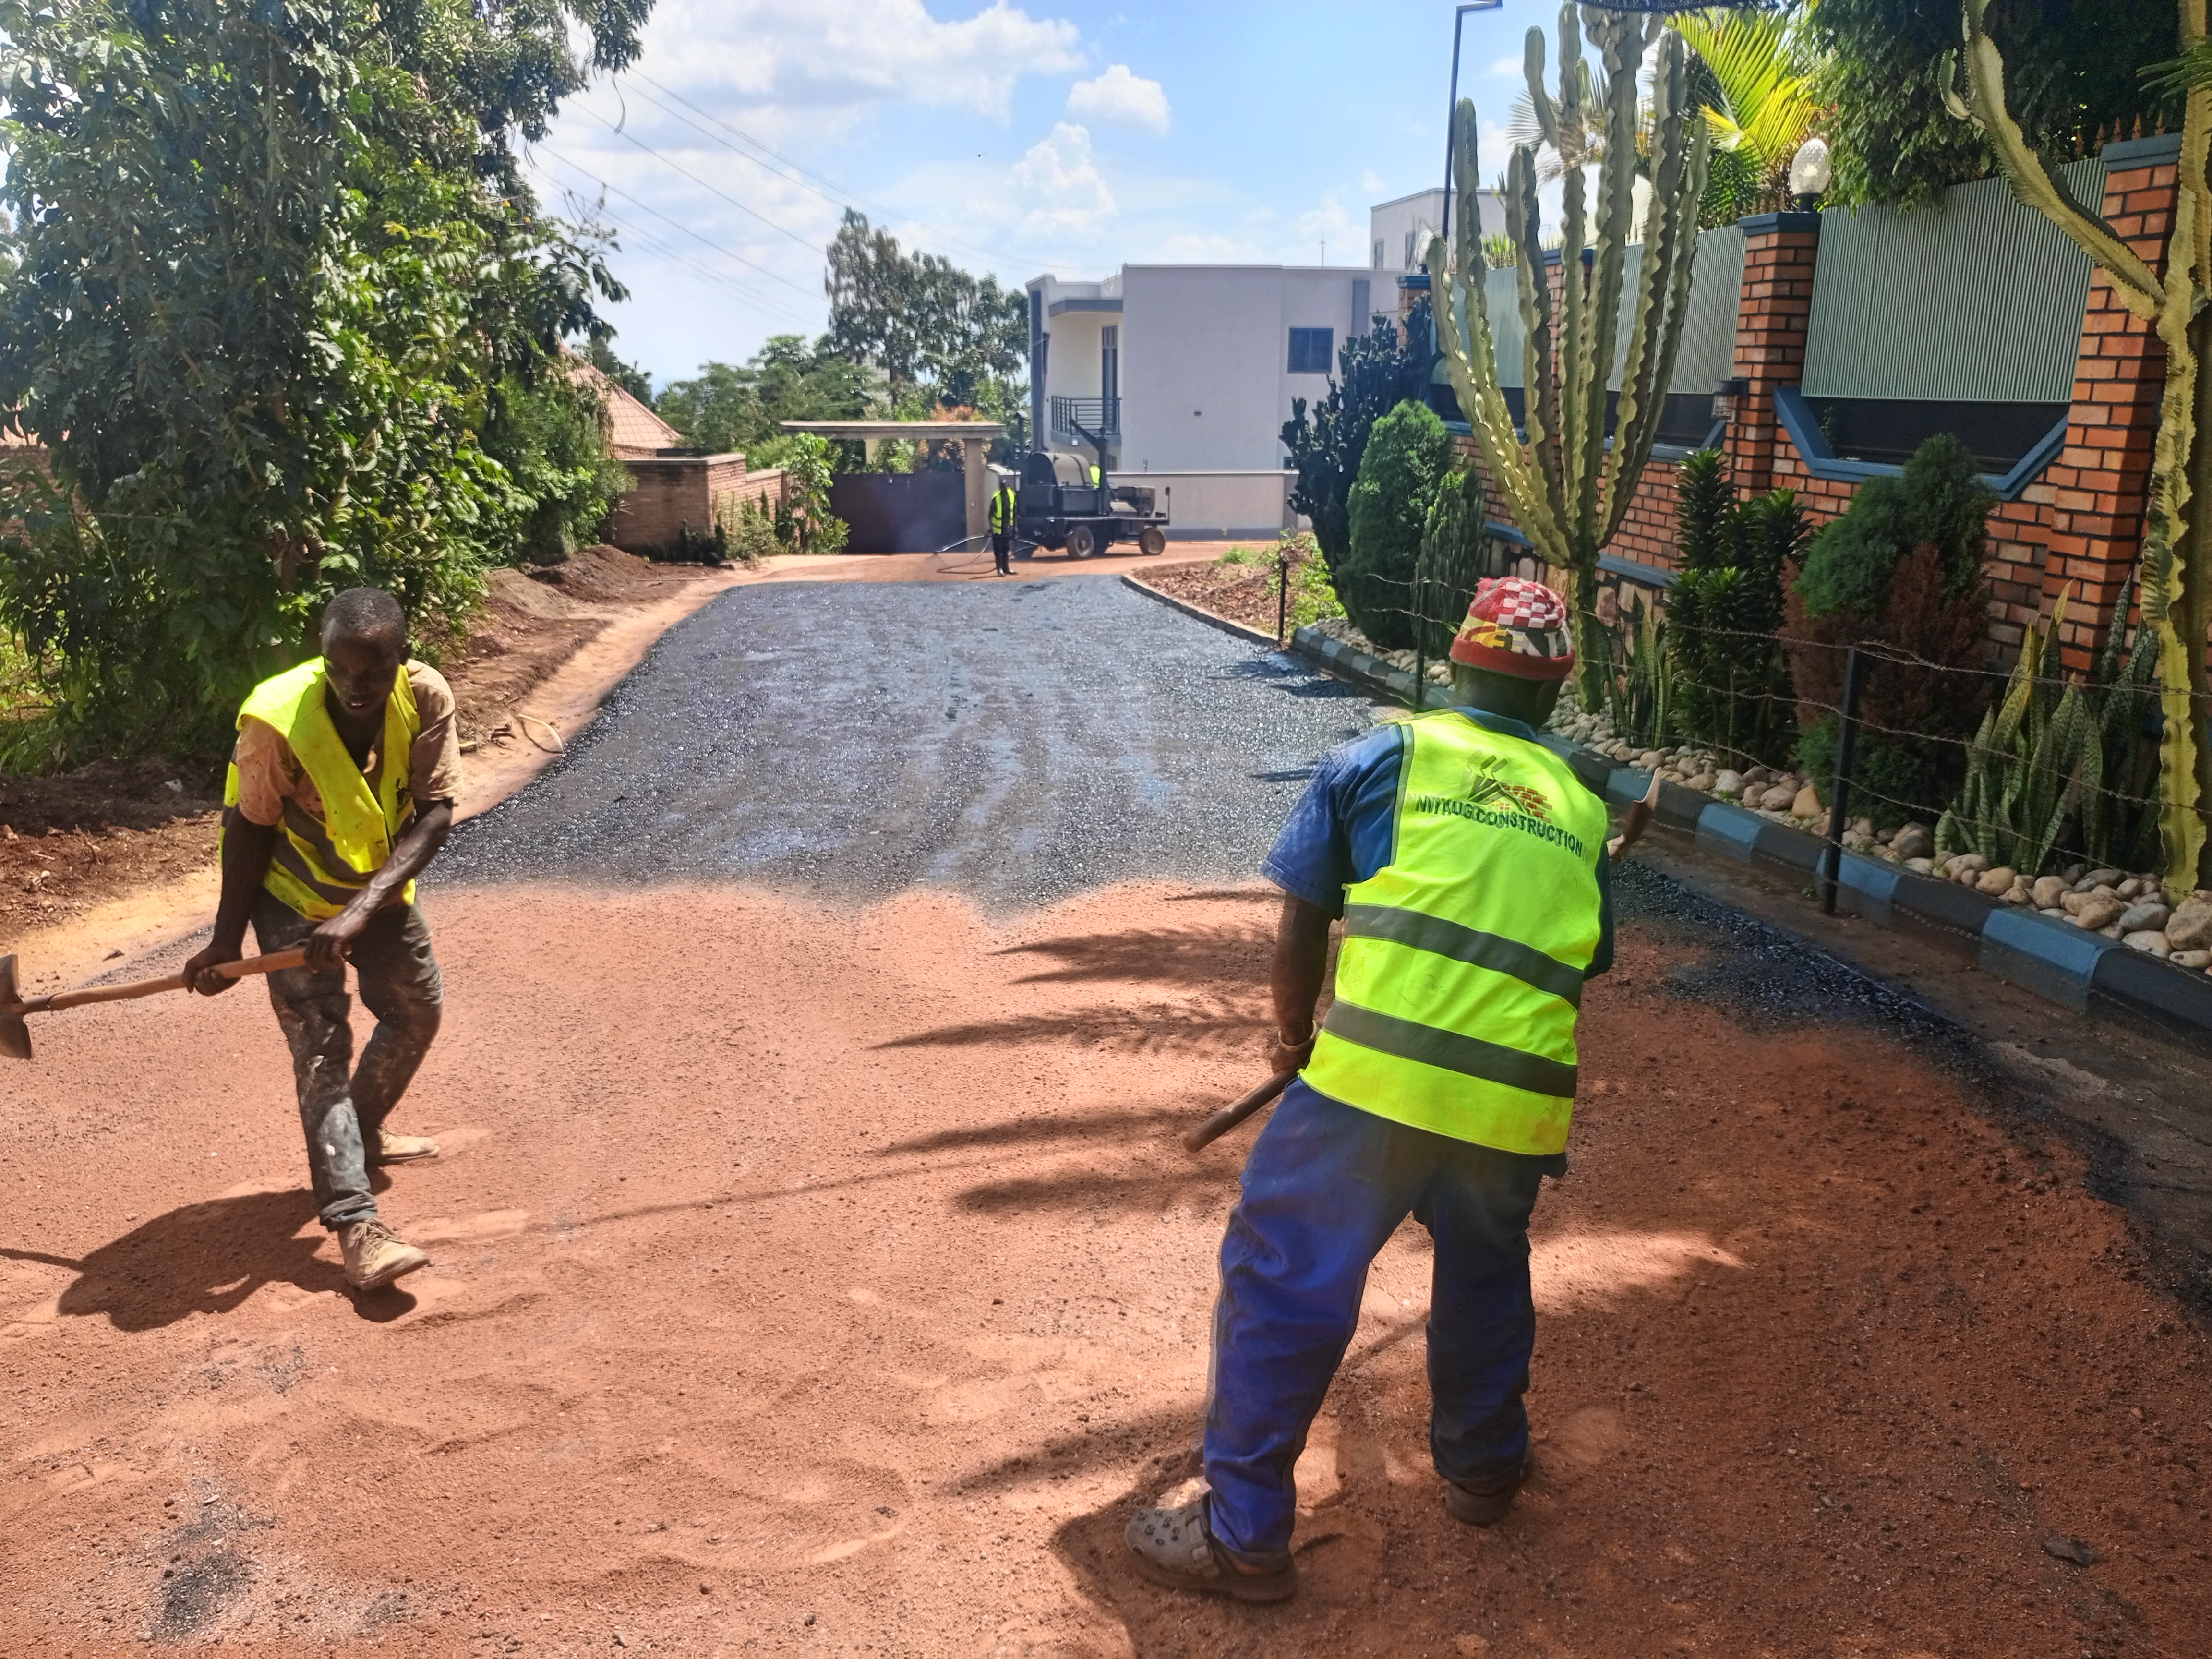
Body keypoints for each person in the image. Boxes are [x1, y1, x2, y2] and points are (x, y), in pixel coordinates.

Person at [1124, 577, 1613, 1603]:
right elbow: (1582, 956)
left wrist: (1292, 1036)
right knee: (1485, 1275)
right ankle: (1483, 1470)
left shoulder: (1385, 757)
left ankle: (1241, 1536)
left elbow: (1307, 916)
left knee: (1288, 1278)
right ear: (1555, 692)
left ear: (1458, 660)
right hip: (1514, 1103)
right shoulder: (1577, 806)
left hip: (1374, 1090)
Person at [183, 588, 461, 1293]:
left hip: (377, 891)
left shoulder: (426, 697)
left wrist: (363, 909)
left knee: (417, 1011)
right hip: (292, 900)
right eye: (338, 669)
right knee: (322, 1049)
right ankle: (355, 1224)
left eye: (372, 671)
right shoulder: (276, 719)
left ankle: (361, 1131)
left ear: (403, 657)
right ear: (323, 655)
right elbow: (247, 830)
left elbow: (434, 815)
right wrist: (224, 942)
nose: (354, 686)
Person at [990, 476, 1017, 577]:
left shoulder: (1012, 495)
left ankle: (1006, 568)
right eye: (1001, 486)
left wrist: (1015, 527)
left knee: (1006, 548)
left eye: (1004, 486)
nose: (1003, 488)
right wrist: (991, 527)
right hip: (997, 529)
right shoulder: (996, 497)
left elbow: (1014, 512)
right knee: (998, 550)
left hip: (1007, 528)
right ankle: (999, 570)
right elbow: (991, 513)